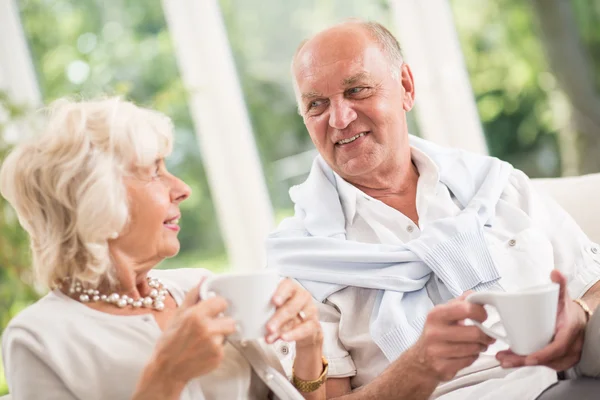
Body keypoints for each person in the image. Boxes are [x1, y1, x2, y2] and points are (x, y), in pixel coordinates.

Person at [266, 20, 600, 399]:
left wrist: (581, 315)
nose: (339, 119)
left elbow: (594, 286)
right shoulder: (302, 262)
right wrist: (417, 368)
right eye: (317, 105)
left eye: (356, 90)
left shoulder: (496, 186)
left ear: (405, 87)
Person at [0, 98, 328, 400]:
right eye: (155, 171)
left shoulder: (200, 287)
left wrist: (309, 346)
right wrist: (167, 374)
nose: (182, 189)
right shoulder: (37, 338)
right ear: (96, 199)